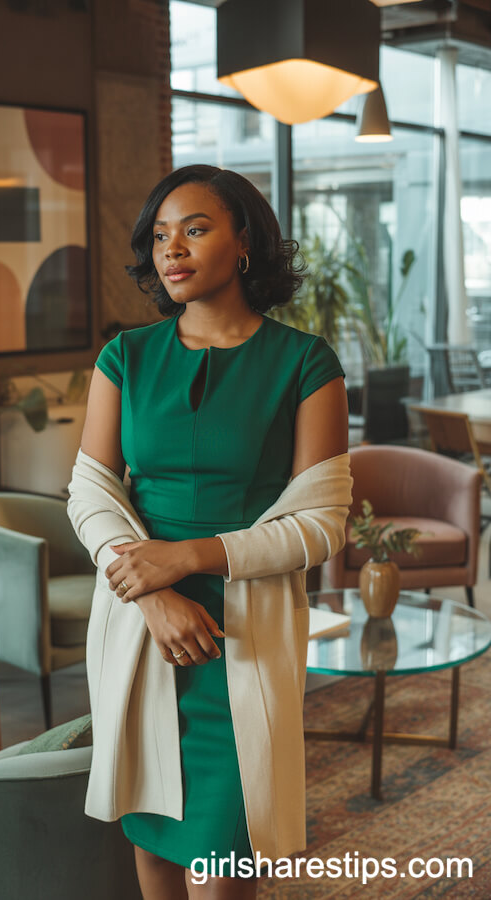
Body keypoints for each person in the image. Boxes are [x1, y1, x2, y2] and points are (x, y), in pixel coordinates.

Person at [68, 164, 350, 899]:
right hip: (139, 623)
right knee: (155, 841)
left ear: (245, 241)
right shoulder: (124, 358)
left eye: (195, 229)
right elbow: (90, 493)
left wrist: (188, 557)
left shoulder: (306, 363)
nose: (173, 248)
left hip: (243, 630)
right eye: (161, 235)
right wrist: (151, 593)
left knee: (222, 854)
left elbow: (322, 523)